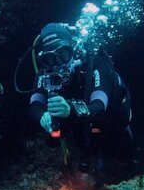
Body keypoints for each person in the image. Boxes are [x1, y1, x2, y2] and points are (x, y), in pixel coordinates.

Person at [28, 23, 133, 179]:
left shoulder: (96, 64)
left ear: (73, 50)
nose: (57, 63)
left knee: (119, 156)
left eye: (62, 54)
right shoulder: (45, 75)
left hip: (109, 119)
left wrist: (70, 109)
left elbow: (99, 105)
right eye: (49, 58)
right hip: (81, 124)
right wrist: (43, 115)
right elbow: (35, 102)